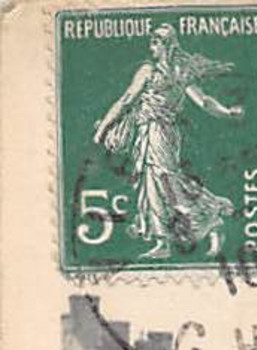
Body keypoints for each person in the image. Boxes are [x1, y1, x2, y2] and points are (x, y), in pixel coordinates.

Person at [91, 24, 243, 260]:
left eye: (156, 41)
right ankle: (164, 242)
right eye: (153, 41)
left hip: (161, 133)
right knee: (154, 185)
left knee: (168, 184)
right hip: (150, 133)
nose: (152, 46)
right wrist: (227, 112)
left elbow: (203, 101)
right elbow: (128, 100)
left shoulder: (168, 72)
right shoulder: (160, 71)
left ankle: (212, 218)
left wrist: (226, 113)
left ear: (167, 45)